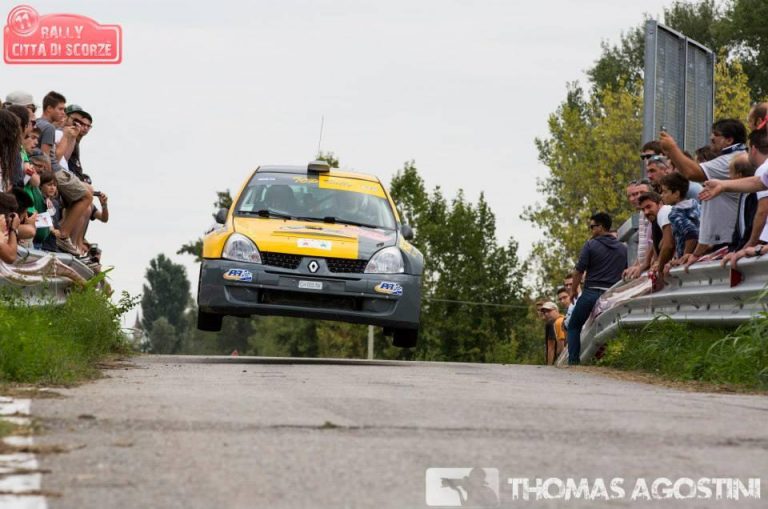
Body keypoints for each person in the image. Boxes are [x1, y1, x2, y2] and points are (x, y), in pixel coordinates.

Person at [660, 119, 748, 268]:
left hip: (727, 243)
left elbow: (691, 172)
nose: (711, 138)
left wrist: (672, 148)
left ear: (729, 140)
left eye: (716, 134)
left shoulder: (733, 160)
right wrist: (698, 252)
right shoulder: (731, 158)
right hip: (719, 243)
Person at [566, 212, 627, 365]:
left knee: (574, 325)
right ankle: (605, 360)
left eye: (592, 226)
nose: (591, 230)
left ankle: (573, 362)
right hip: (611, 295)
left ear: (600, 227)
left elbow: (579, 270)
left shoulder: (590, 245)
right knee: (607, 330)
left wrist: (574, 290)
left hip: (591, 293)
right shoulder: (623, 248)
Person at [659, 172, 700, 263]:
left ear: (676, 194)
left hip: (689, 261)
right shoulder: (694, 204)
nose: (662, 195)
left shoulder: (676, 213)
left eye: (665, 191)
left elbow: (692, 234)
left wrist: (683, 258)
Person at [637, 192, 675, 289]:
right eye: (643, 209)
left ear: (660, 203)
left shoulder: (664, 211)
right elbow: (657, 247)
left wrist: (659, 267)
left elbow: (668, 245)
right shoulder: (654, 222)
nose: (646, 212)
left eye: (649, 207)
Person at [624, 179, 653, 279]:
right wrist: (636, 265)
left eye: (637, 194)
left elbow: (653, 243)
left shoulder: (653, 212)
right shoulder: (642, 213)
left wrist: (643, 265)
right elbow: (643, 245)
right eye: (629, 196)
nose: (633, 198)